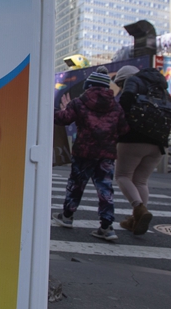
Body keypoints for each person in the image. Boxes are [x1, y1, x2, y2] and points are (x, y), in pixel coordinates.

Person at [52, 67, 129, 241]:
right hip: (107, 154)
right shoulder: (116, 106)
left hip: (83, 151)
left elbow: (63, 119)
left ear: (89, 86)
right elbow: (124, 129)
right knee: (105, 188)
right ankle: (107, 226)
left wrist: (54, 110)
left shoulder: (79, 102)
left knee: (76, 184)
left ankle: (67, 216)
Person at [114, 65, 168, 235]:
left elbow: (124, 105)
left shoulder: (132, 81)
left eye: (120, 84)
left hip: (134, 138)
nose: (121, 88)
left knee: (122, 176)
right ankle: (135, 220)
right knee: (141, 181)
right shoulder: (161, 88)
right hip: (159, 141)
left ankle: (139, 209)